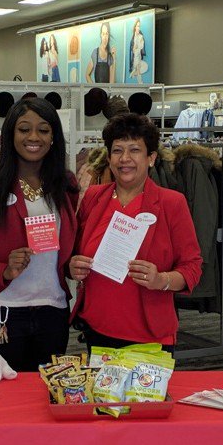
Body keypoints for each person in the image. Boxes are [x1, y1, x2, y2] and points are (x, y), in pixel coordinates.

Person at [0, 98, 79, 371]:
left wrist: (73, 266)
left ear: (54, 136)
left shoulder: (65, 184)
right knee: (2, 401)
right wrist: (3, 271)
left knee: (46, 397)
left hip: (52, 311)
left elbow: (64, 250)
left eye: (43, 130)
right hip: (1, 312)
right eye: (24, 129)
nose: (34, 137)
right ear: (11, 134)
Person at [69, 114, 202, 350]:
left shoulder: (171, 203)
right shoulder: (93, 197)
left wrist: (161, 280)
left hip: (149, 337)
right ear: (109, 158)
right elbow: (75, 251)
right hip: (97, 329)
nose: (125, 159)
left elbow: (192, 268)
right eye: (118, 150)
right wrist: (72, 266)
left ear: (151, 158)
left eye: (135, 150)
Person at [129, 18, 146, 84]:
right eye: (137, 26)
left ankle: (134, 73)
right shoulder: (133, 37)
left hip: (138, 53)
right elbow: (132, 48)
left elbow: (141, 46)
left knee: (137, 66)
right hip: (135, 54)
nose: (138, 28)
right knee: (137, 66)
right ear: (135, 27)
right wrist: (134, 48)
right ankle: (140, 81)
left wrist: (138, 47)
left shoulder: (141, 36)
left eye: (139, 26)